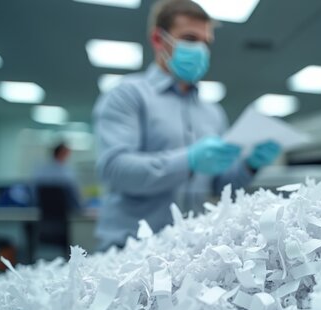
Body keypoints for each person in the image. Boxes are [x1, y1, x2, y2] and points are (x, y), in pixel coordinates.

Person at [93, 0, 281, 251]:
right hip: (131, 251)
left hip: (189, 251)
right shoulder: (128, 96)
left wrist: (249, 165)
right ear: (159, 40)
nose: (200, 50)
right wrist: (189, 160)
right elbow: (115, 169)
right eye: (190, 38)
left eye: (206, 43)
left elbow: (217, 185)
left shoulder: (213, 113)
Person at [32, 142, 82, 210]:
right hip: (64, 211)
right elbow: (73, 194)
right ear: (61, 153)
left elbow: (34, 191)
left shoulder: (41, 169)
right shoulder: (66, 172)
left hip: (43, 211)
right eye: (66, 153)